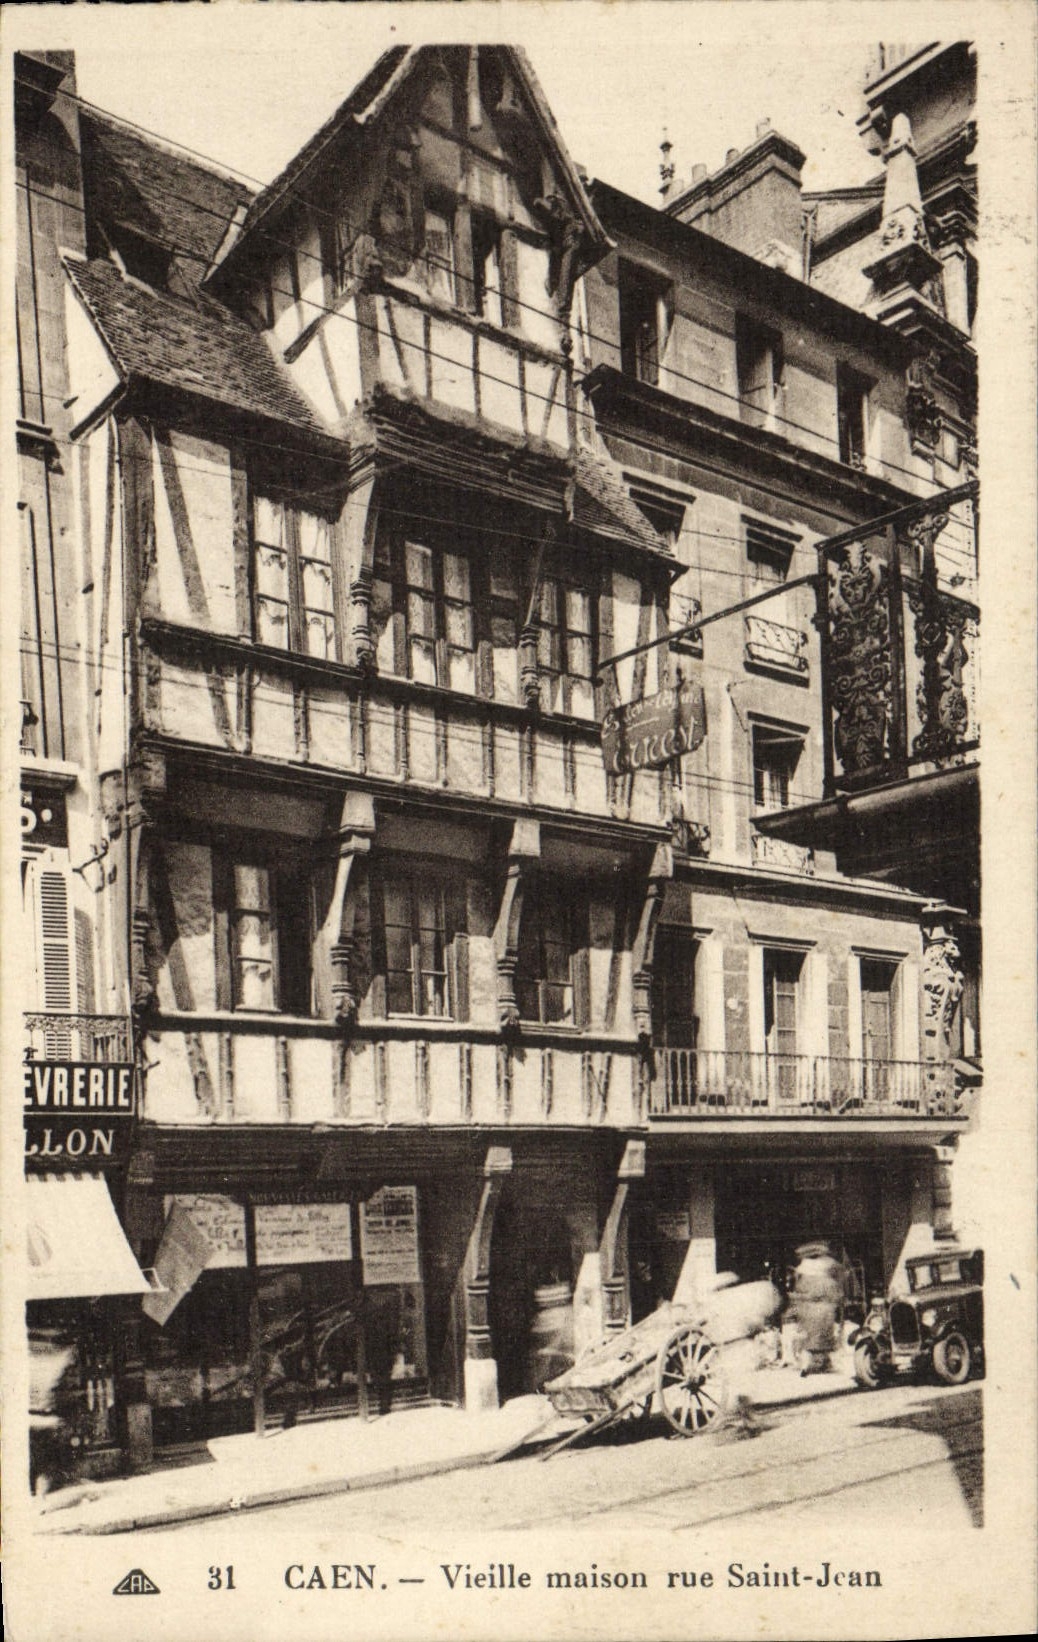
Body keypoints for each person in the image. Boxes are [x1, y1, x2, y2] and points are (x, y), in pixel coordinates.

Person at [700, 1273, 783, 1439]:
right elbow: (752, 1322)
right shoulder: (738, 1301)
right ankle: (746, 1423)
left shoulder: (714, 1305)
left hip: (725, 1347)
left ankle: (739, 1421)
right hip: (740, 1345)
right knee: (743, 1385)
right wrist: (759, 1328)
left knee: (736, 1385)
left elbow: (707, 1327)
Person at [790, 1242, 845, 1375]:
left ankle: (813, 1363)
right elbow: (839, 1278)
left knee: (813, 1337)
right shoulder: (828, 1264)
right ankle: (819, 1363)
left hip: (810, 1306)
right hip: (823, 1306)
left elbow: (798, 1286)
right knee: (822, 1336)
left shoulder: (803, 1267)